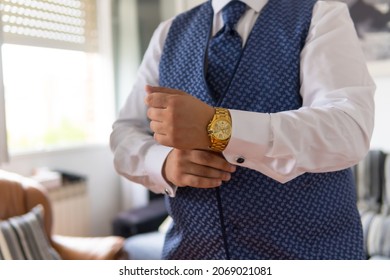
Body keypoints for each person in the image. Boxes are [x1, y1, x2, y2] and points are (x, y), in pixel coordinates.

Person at [110, 0, 375, 260]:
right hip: (192, 256)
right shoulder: (168, 32)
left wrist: (217, 127)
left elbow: (348, 131)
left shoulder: (321, 15)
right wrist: (162, 162)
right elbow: (125, 132)